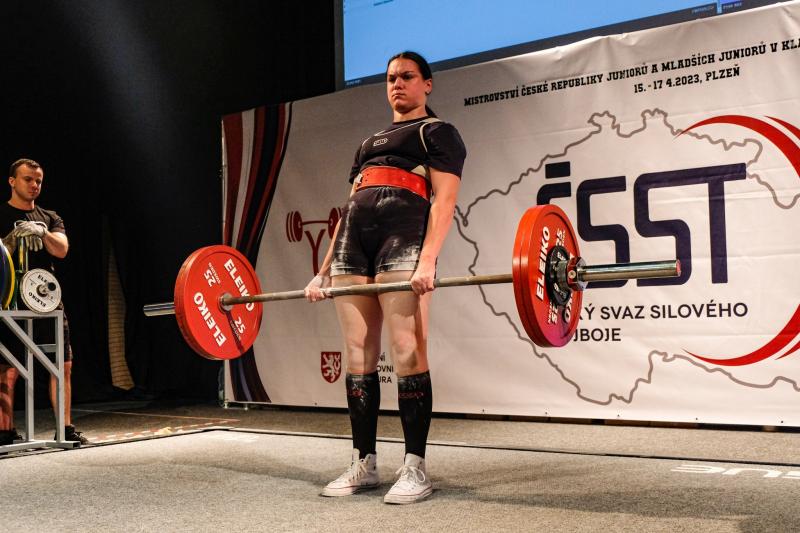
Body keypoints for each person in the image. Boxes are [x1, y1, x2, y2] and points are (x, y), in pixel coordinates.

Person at [305, 52, 466, 504]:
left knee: (407, 348)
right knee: (358, 352)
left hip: (403, 236)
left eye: (407, 76)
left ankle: (415, 467)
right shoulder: (367, 144)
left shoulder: (436, 131)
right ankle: (364, 462)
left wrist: (428, 261)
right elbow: (348, 209)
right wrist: (322, 272)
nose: (397, 84)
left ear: (427, 84)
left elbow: (444, 201)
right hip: (354, 243)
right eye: (391, 78)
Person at [0, 158, 87, 446]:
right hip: (11, 299)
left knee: (62, 364)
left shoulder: (49, 217)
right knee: (7, 367)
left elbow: (62, 249)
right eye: (28, 179)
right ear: (12, 181)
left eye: (38, 180)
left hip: (46, 299)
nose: (34, 185)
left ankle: (65, 429)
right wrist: (10, 240)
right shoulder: (1, 213)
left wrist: (42, 232)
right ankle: (4, 431)